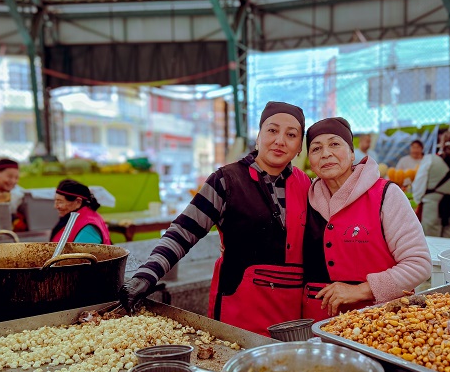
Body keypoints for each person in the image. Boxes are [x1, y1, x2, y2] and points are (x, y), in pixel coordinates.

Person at [121, 101, 311, 335]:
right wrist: (145, 276)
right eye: (272, 130)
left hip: (291, 319)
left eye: (291, 135)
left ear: (300, 146)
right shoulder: (226, 181)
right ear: (258, 137)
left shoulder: (307, 186)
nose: (280, 140)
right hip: (239, 312)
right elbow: (183, 232)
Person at [302, 117, 432, 320]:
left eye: (335, 144)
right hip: (318, 328)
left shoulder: (386, 195)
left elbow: (419, 264)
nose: (326, 153)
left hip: (381, 323)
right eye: (316, 149)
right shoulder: (306, 199)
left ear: (352, 153)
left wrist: (361, 290)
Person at [50, 179, 111, 245]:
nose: (55, 206)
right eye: (56, 201)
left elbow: (82, 255)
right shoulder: (70, 217)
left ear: (78, 202)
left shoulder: (88, 228)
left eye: (60, 202)